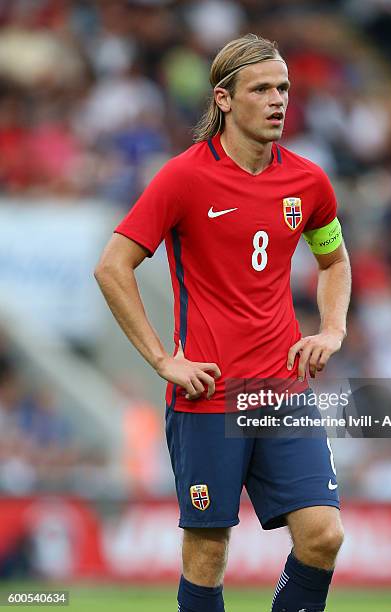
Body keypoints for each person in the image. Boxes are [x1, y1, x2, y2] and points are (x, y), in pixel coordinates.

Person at [95, 33, 351, 612]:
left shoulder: (308, 183)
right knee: (208, 555)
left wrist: (331, 329)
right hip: (209, 394)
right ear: (224, 99)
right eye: (262, 89)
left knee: (324, 536)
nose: (278, 100)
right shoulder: (184, 178)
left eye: (283, 88)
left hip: (282, 392)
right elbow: (113, 266)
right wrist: (163, 359)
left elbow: (334, 260)